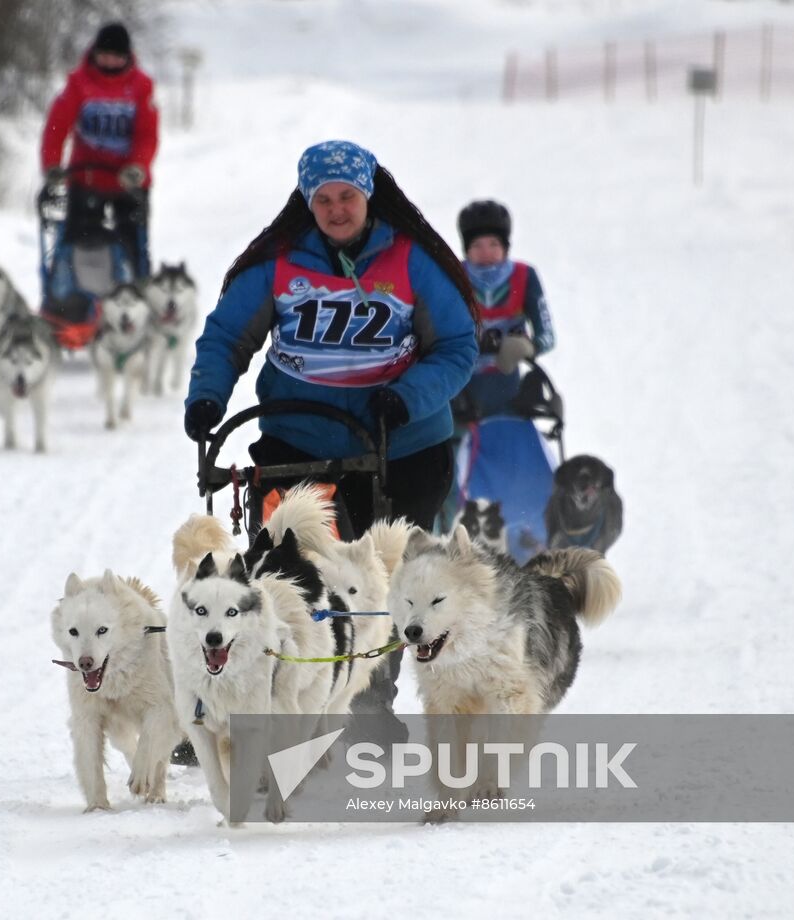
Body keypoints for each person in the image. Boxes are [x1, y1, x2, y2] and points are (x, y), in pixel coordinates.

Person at [181, 139, 480, 720]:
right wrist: (207, 397)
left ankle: (367, 704)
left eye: (347, 196)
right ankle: (245, 699)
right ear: (307, 202)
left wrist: (406, 397)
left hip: (403, 447)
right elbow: (225, 336)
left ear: (368, 196)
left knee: (382, 580)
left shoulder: (412, 261)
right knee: (285, 572)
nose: (337, 209)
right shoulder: (280, 262)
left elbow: (456, 345)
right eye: (323, 200)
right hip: (300, 445)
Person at [40, 22, 158, 279]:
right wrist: (52, 165)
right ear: (95, 53)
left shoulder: (141, 87)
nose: (110, 61)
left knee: (132, 246)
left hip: (129, 182)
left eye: (116, 56)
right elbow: (57, 126)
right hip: (86, 177)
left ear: (126, 57)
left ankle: (135, 288)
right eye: (105, 54)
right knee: (77, 242)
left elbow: (147, 134)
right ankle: (73, 299)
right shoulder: (79, 83)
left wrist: (138, 166)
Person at [452, 199, 555, 421]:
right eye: (477, 246)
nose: (486, 252)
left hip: (508, 388)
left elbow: (547, 335)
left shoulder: (525, 276)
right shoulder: (452, 277)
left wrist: (529, 347)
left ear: (505, 247)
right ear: (466, 249)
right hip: (461, 391)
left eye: (493, 244)